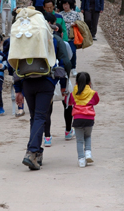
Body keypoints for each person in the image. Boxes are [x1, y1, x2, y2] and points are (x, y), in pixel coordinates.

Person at [14, 9, 71, 170]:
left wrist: (18, 89)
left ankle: (37, 153)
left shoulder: (24, 38)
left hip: (27, 82)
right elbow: (65, 62)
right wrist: (64, 84)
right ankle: (31, 152)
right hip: (45, 82)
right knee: (40, 117)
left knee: (34, 117)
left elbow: (15, 62)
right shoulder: (53, 39)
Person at [42, 14, 73, 148]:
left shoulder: (43, 41)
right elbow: (67, 59)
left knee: (48, 109)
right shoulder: (63, 43)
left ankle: (47, 137)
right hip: (61, 77)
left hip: (48, 77)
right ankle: (67, 131)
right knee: (67, 105)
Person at [69, 72, 99, 168]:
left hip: (77, 118)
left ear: (76, 82)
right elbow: (96, 101)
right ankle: (88, 153)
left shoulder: (73, 93)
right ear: (89, 83)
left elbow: (69, 102)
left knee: (79, 140)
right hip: (89, 119)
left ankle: (81, 160)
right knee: (88, 136)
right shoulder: (92, 93)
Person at [60, 0, 83, 77]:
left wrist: (75, 24)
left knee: (73, 52)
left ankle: (73, 68)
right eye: (64, 4)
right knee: (64, 53)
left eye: (67, 4)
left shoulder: (75, 14)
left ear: (70, 5)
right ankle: (64, 68)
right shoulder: (60, 14)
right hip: (62, 38)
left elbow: (81, 23)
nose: (65, 6)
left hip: (72, 37)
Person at [2, 38, 25, 117]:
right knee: (18, 88)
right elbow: (5, 54)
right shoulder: (8, 41)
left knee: (26, 87)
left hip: (26, 66)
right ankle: (20, 108)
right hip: (15, 68)